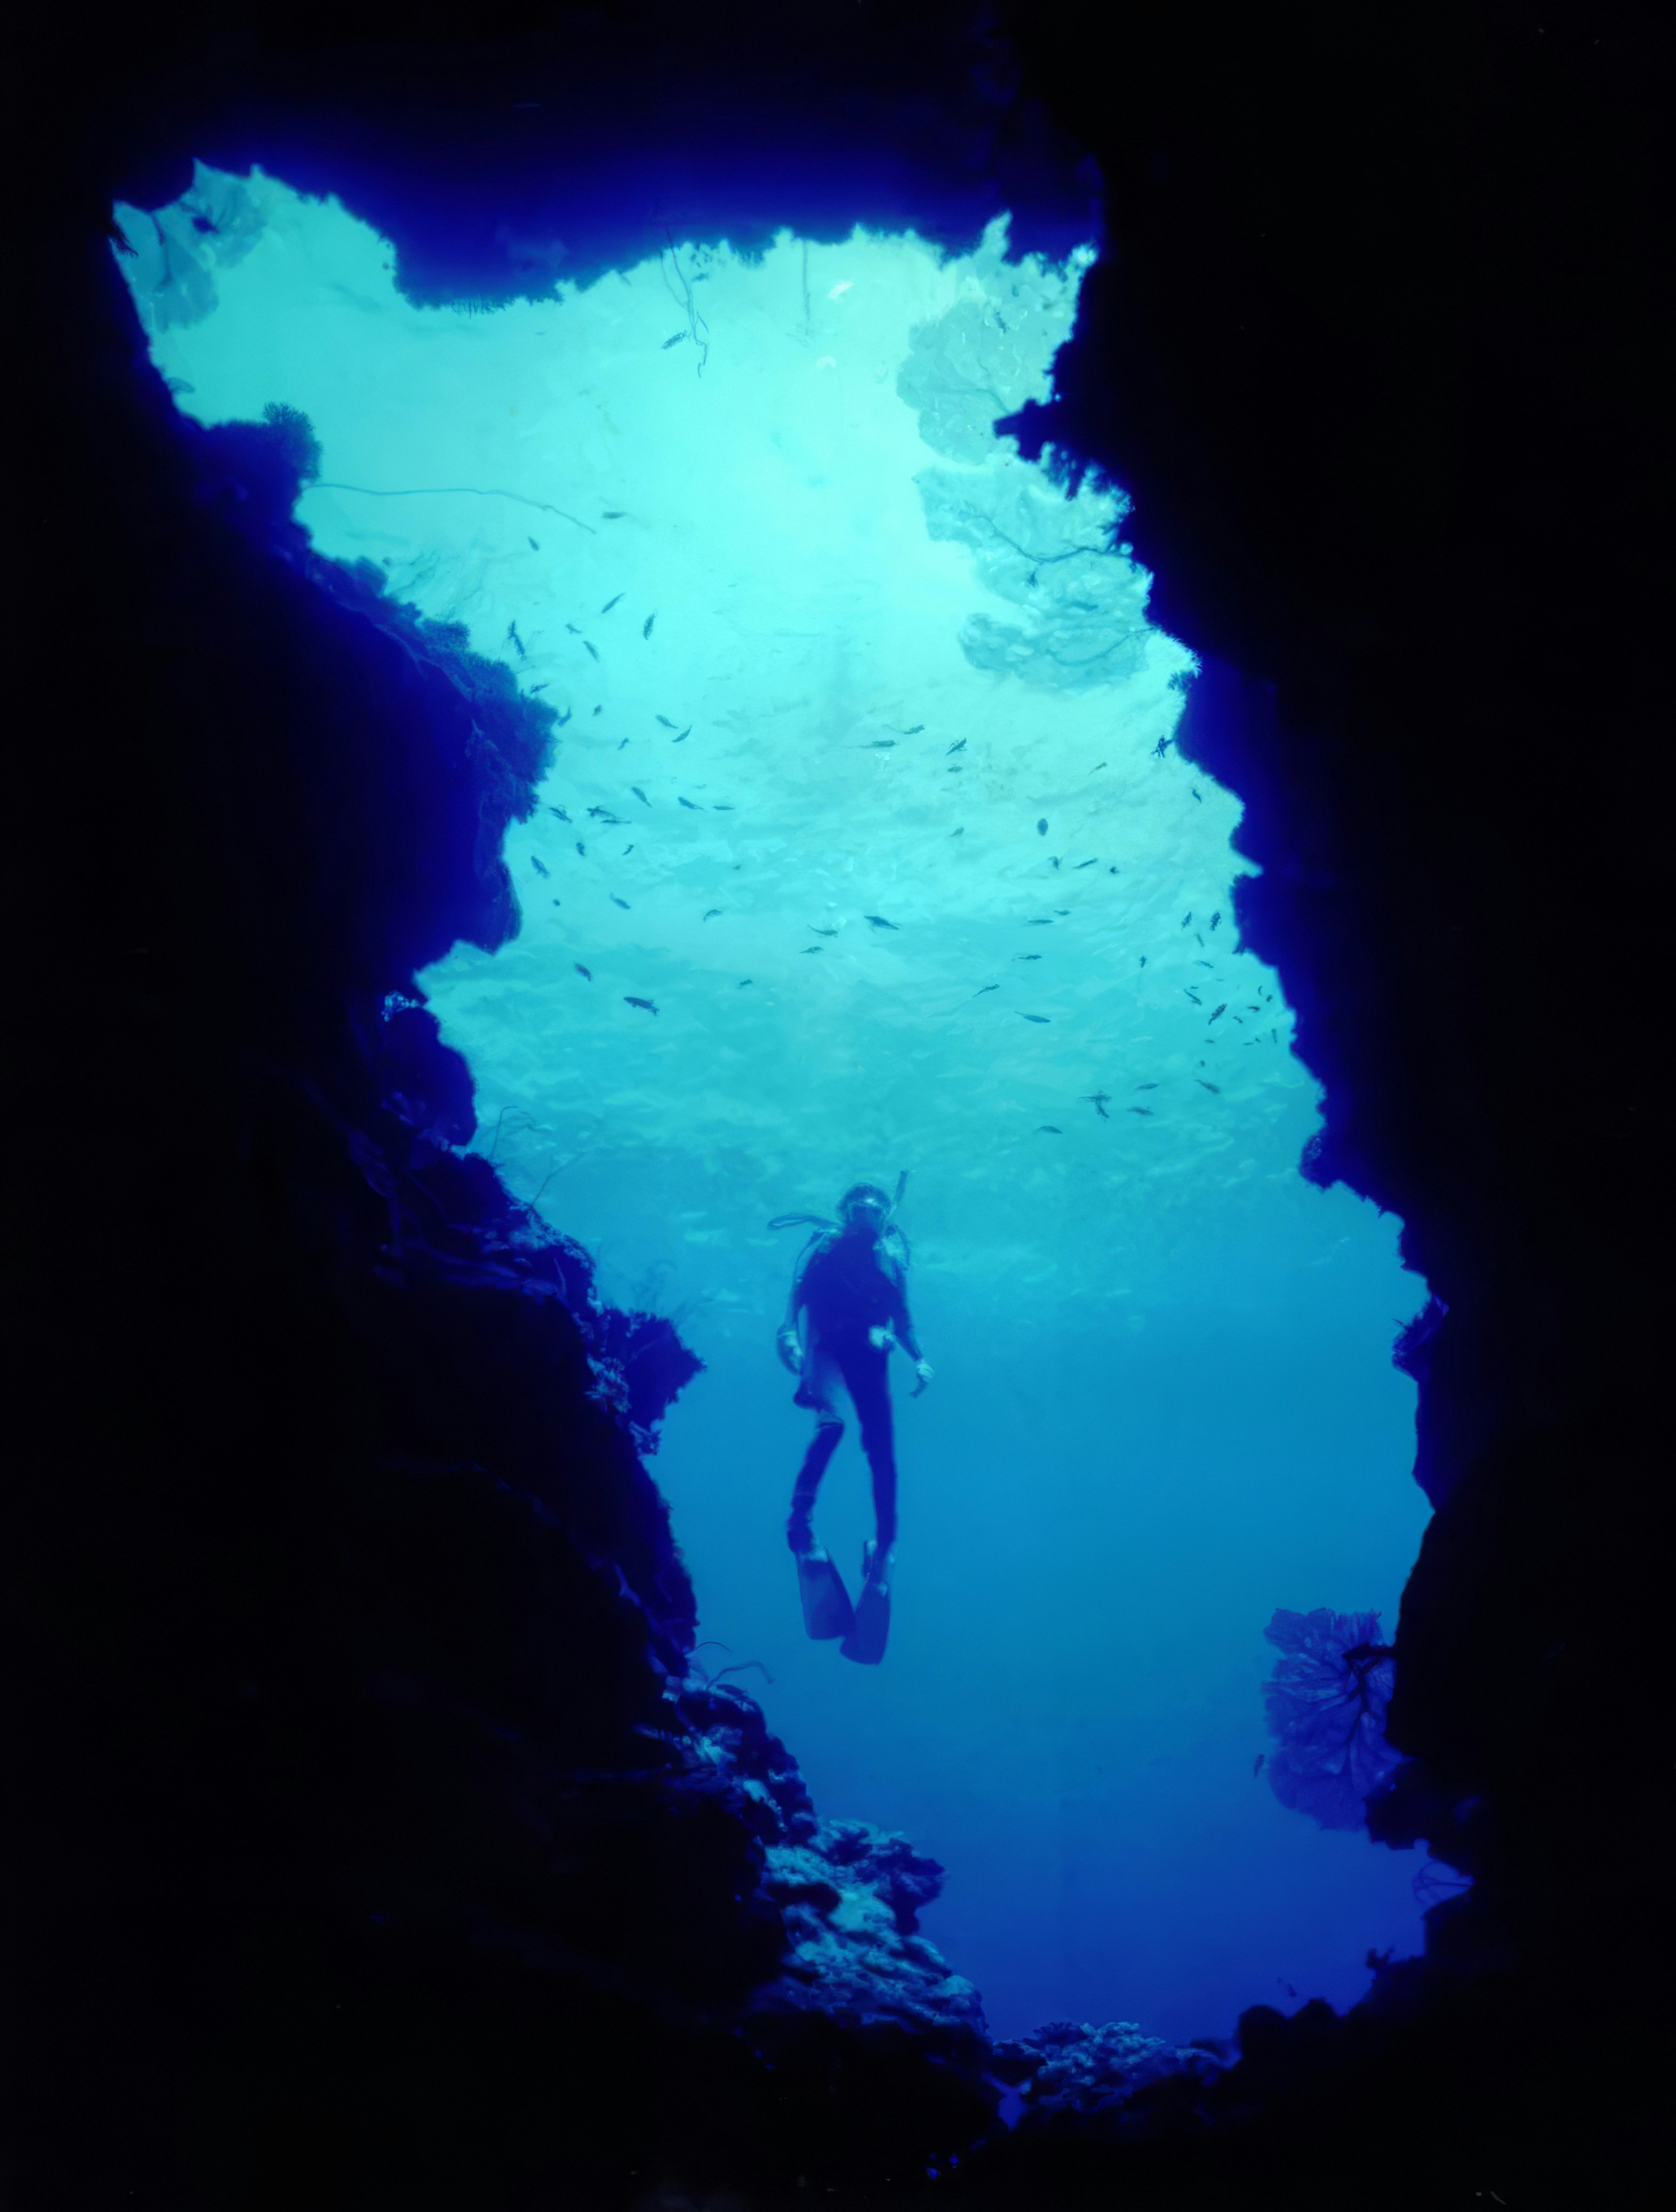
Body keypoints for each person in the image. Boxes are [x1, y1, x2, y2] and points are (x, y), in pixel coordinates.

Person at [776, 1182, 932, 1623]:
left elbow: (903, 1320)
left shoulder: (890, 1259)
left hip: (868, 1353)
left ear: (885, 1217)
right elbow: (796, 1296)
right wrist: (787, 1333)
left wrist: (920, 1360)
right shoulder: (825, 1248)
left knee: (882, 1452)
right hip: (825, 1347)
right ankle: (800, 1530)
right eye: (858, 1210)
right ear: (845, 1213)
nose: (866, 1217)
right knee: (833, 1425)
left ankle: (883, 1552)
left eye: (875, 1211)